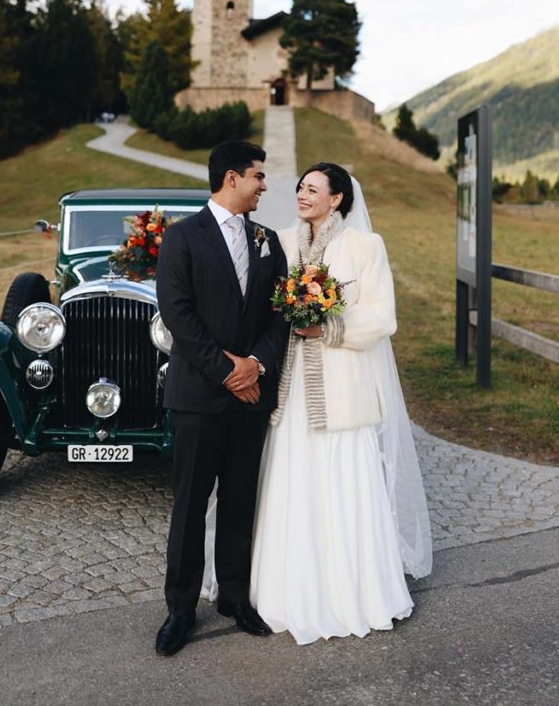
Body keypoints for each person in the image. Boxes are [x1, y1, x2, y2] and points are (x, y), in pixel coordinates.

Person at [249, 162, 432, 645]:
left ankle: (355, 591)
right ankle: (288, 592)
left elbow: (382, 317)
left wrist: (329, 326)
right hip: (290, 394)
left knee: (343, 485)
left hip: (344, 391)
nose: (303, 195)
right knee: (293, 484)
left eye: (313, 189)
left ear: (338, 199)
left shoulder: (365, 247)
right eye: (301, 188)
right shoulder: (281, 243)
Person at [155, 140, 288, 656]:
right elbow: (177, 313)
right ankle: (180, 610)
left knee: (240, 500)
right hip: (198, 395)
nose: (264, 186)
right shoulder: (182, 238)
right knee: (190, 506)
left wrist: (255, 365)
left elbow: (279, 314)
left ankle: (235, 596)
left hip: (251, 395)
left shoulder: (268, 240)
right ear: (232, 178)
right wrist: (227, 370)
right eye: (258, 176)